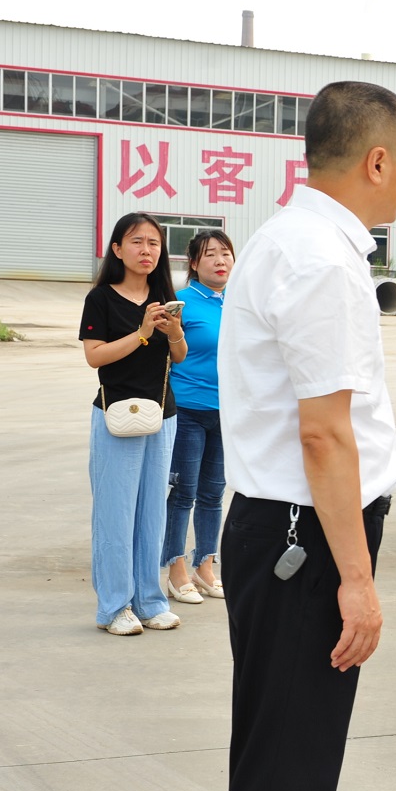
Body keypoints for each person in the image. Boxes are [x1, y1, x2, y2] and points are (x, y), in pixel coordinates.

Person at [208, 81, 396, 791]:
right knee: (281, 765)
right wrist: (356, 579)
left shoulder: (293, 239)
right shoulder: (322, 260)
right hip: (306, 539)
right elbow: (324, 433)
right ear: (377, 159)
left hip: (288, 528)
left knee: (292, 760)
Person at [81, 212, 186, 637]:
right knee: (115, 514)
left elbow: (178, 356)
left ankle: (150, 602)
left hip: (162, 416)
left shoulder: (164, 298)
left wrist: (173, 330)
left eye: (154, 243)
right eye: (137, 241)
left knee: (151, 514)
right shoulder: (101, 299)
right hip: (115, 416)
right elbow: (95, 356)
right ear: (117, 249)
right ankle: (114, 607)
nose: (147, 250)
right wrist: (143, 332)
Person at [161, 228, 235, 606]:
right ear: (193, 263)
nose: (220, 261)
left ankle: (205, 566)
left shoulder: (238, 303)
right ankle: (175, 570)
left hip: (228, 411)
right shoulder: (180, 303)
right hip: (188, 410)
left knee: (213, 492)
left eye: (226, 253)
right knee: (183, 492)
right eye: (210, 254)